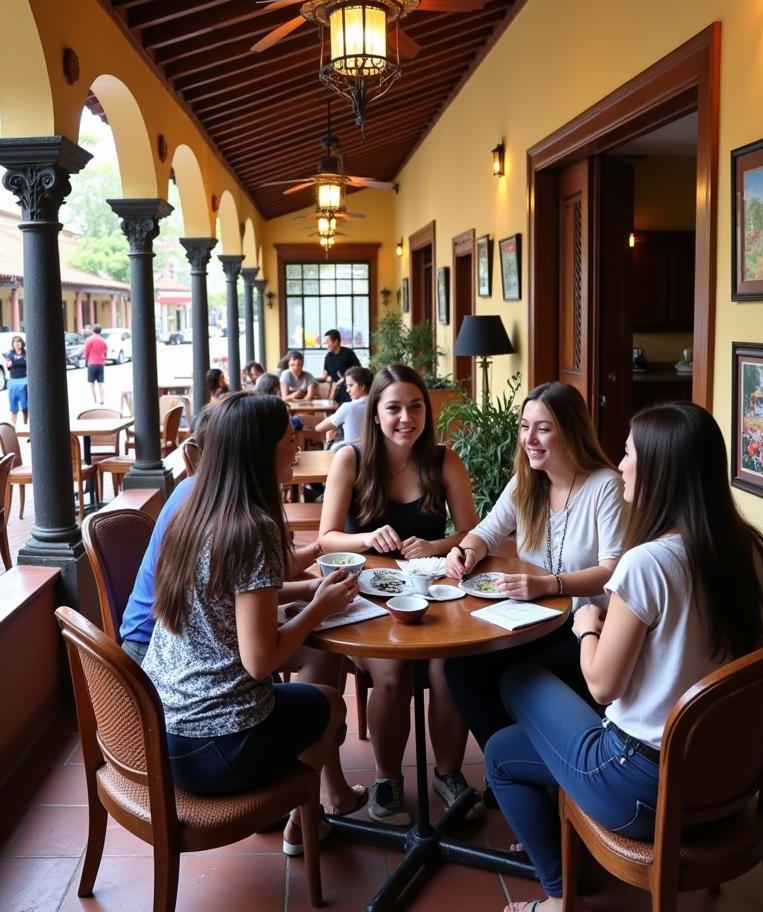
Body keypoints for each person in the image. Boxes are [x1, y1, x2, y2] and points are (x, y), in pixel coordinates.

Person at [485, 403, 763, 912]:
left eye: (628, 454)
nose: (620, 465)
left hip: (641, 790)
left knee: (515, 691)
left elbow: (602, 685)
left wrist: (586, 628)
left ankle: (562, 900)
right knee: (515, 731)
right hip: (726, 777)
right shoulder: (749, 548)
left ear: (660, 471)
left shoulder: (647, 564)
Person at [140, 393, 367, 855]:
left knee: (314, 664)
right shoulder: (253, 527)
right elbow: (260, 661)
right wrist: (318, 608)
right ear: (260, 450)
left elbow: (235, 600)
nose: (298, 448)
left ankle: (303, 808)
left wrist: (307, 594)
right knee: (329, 705)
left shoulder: (197, 511)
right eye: (290, 439)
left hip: (163, 733)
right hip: (213, 749)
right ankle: (302, 817)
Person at [318, 364, 482, 826]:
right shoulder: (350, 458)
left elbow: (472, 531)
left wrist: (437, 545)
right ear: (374, 413)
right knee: (390, 674)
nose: (405, 418)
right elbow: (327, 537)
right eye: (393, 408)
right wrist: (367, 539)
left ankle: (447, 773)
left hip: (435, 596)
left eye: (415, 407)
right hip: (368, 599)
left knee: (450, 668)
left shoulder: (443, 459)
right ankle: (387, 779)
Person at [444, 382, 626, 750]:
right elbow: (486, 532)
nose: (530, 439)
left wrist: (548, 585)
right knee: (459, 667)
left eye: (543, 428)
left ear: (571, 431)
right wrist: (464, 551)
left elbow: (612, 571)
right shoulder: (527, 482)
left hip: (586, 631)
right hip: (528, 623)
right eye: (525, 427)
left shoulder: (605, 485)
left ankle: (521, 769)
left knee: (509, 673)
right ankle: (505, 767)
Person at [315, 365, 372, 448]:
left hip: (352, 454)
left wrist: (330, 438)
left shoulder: (348, 407)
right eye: (347, 386)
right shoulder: (378, 404)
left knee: (330, 435)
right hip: (373, 454)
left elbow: (319, 428)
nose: (347, 390)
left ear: (362, 386)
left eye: (351, 385)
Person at [318, 329, 360, 404]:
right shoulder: (328, 357)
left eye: (327, 341)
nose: (325, 343)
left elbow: (358, 370)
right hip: (335, 390)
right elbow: (324, 376)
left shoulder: (348, 353)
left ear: (335, 342)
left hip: (349, 389)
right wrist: (312, 380)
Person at [4, 335, 28, 427]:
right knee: (13, 408)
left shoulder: (26, 354)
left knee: (25, 407)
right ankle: (13, 427)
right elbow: (8, 365)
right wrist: (9, 362)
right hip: (13, 382)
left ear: (22, 343)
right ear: (12, 344)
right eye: (15, 342)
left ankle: (26, 425)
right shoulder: (10, 354)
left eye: (19, 342)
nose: (17, 344)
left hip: (24, 381)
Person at [83, 324, 108, 404]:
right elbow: (105, 352)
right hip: (100, 364)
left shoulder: (89, 340)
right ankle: (102, 399)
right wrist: (104, 359)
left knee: (92, 384)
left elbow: (86, 352)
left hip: (91, 364)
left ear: (93, 331)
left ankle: (95, 400)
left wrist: (86, 360)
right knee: (101, 384)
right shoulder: (103, 340)